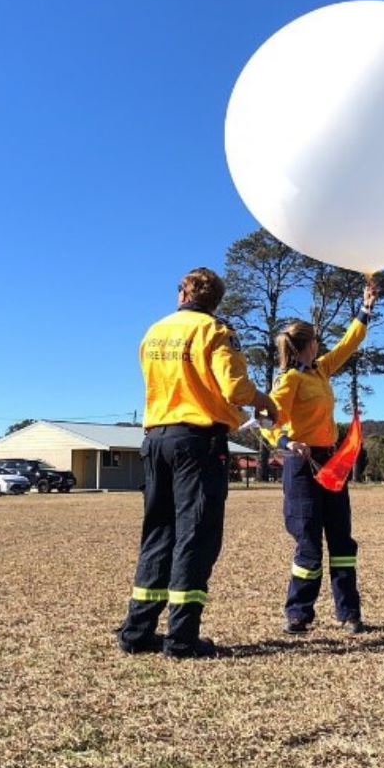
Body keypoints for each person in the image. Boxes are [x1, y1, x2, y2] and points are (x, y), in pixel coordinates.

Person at [117, 267, 278, 660]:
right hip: (198, 441)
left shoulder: (154, 331)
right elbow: (236, 388)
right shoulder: (217, 331)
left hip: (155, 437)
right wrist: (264, 402)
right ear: (216, 301)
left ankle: (137, 630)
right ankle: (182, 637)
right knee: (196, 533)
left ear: (181, 294)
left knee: (158, 531)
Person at [267, 277, 378, 634]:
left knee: (342, 540)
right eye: (315, 340)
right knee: (309, 542)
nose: (321, 344)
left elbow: (348, 345)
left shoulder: (321, 370)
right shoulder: (288, 381)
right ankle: (298, 613)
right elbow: (270, 418)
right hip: (301, 466)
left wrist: (365, 309)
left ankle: (349, 613)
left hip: (332, 464)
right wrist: (285, 443)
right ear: (305, 345)